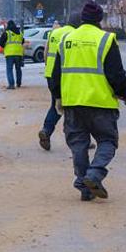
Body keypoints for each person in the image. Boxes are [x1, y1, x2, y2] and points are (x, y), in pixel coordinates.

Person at [51, 1, 126, 201]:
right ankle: (93, 175)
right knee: (107, 141)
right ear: (99, 19)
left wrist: (57, 96)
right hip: (101, 103)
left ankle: (85, 186)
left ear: (82, 18)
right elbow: (116, 74)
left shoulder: (66, 39)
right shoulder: (106, 39)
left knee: (78, 144)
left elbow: (56, 74)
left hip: (73, 103)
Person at [38, 13, 80, 151]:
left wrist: (48, 68)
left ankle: (46, 130)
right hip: (67, 76)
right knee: (75, 107)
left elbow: (46, 53)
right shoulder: (76, 35)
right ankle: (79, 138)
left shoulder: (54, 33)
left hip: (51, 74)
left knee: (56, 104)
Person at [0, 20, 24, 89]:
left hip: (9, 54)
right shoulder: (20, 33)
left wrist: (4, 46)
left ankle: (11, 84)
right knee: (18, 69)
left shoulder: (7, 33)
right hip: (18, 53)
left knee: (9, 69)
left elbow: (1, 42)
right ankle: (18, 83)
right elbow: (23, 41)